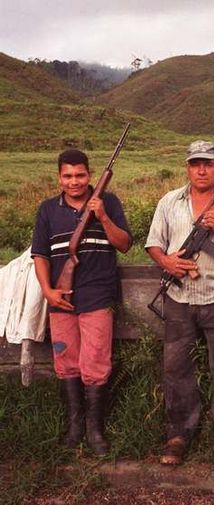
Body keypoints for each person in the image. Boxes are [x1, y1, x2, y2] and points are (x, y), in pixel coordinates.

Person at [145, 140, 214, 473]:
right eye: (195, 164)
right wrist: (168, 263)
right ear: (187, 167)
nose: (202, 169)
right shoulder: (169, 202)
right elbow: (153, 243)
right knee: (176, 369)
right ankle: (178, 435)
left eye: (207, 163)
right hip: (179, 298)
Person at [31, 148, 132, 455]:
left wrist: (101, 215)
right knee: (66, 362)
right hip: (61, 299)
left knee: (96, 363)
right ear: (59, 177)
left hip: (98, 297)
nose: (74, 182)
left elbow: (125, 244)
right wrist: (48, 291)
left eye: (80, 175)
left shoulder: (109, 202)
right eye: (67, 176)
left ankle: (94, 430)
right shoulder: (48, 210)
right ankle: (75, 426)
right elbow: (40, 255)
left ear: (90, 175)